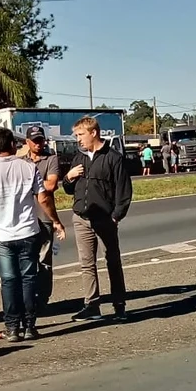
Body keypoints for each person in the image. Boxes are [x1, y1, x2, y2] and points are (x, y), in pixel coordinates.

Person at [0, 128, 65, 342]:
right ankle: (30, 325)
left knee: (9, 280)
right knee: (29, 278)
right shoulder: (28, 167)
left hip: (2, 235)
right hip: (28, 231)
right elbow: (43, 198)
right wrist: (56, 221)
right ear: (12, 144)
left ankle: (12, 327)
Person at [62, 116, 133, 321]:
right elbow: (68, 189)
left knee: (112, 261)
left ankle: (119, 305)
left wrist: (116, 216)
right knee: (87, 263)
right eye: (76, 135)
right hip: (81, 218)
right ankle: (92, 305)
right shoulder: (79, 158)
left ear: (93, 133)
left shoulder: (113, 158)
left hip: (105, 219)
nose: (78, 139)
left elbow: (124, 191)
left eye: (80, 134)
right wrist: (69, 177)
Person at [22, 125, 62, 308]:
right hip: (25, 217)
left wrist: (29, 183)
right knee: (27, 259)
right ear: (27, 142)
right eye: (35, 140)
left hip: (44, 216)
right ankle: (29, 297)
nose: (38, 144)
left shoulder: (51, 158)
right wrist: (38, 184)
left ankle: (43, 298)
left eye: (41, 140)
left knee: (44, 259)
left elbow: (51, 185)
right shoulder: (21, 161)